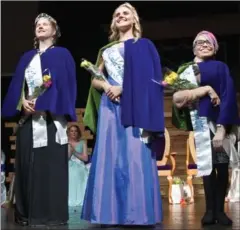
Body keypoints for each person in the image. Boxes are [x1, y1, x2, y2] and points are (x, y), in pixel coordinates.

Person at [81, 2, 165, 227]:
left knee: (135, 155)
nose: (121, 16)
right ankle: (110, 213)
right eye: (117, 14)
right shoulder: (107, 50)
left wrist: (123, 88)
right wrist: (106, 87)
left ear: (135, 20)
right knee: (112, 156)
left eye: (125, 13)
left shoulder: (144, 45)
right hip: (110, 108)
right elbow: (95, 78)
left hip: (134, 104)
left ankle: (137, 213)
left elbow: (151, 78)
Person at [1, 13, 77, 226]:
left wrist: (46, 103)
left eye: (45, 24)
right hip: (28, 120)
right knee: (26, 166)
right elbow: (18, 87)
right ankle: (26, 214)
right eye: (37, 25)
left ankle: (51, 215)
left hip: (52, 120)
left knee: (51, 168)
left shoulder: (62, 54)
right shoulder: (26, 57)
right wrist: (22, 102)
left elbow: (67, 85)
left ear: (54, 31)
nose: (41, 27)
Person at [172, 31, 240, 226]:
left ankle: (220, 210)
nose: (203, 45)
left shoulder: (220, 67)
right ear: (193, 47)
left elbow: (228, 97)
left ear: (215, 46)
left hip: (219, 123)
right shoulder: (186, 70)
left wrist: (221, 128)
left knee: (221, 165)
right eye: (199, 42)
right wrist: (203, 90)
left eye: (208, 42)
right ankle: (209, 210)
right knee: (207, 167)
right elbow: (178, 100)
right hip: (201, 124)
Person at [68, 125, 89, 208]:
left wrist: (74, 152)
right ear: (69, 133)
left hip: (79, 164)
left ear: (78, 133)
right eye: (71, 131)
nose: (73, 133)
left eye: (75, 131)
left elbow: (85, 158)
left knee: (76, 172)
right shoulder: (65, 143)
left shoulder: (82, 143)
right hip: (67, 164)